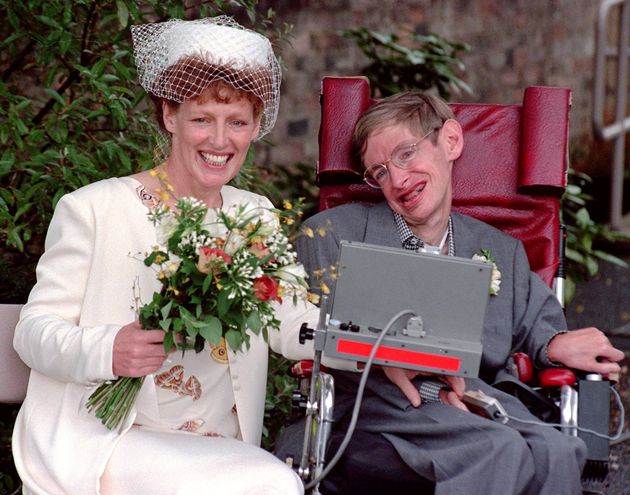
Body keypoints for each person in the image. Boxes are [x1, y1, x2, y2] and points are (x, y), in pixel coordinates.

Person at [12, 16, 333, 495]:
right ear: (169, 116)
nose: (221, 141)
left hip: (219, 442)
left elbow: (289, 318)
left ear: (254, 127)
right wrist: (109, 349)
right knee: (274, 485)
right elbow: (32, 334)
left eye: (237, 123)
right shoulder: (94, 208)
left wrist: (372, 344)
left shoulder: (254, 215)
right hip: (110, 439)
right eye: (202, 119)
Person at [287, 91, 625, 495]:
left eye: (406, 154)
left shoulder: (502, 251)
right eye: (378, 172)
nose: (396, 180)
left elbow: (537, 325)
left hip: (475, 406)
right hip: (375, 415)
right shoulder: (330, 235)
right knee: (499, 451)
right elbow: (310, 331)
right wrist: (385, 357)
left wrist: (556, 343)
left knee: (558, 450)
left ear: (450, 141)